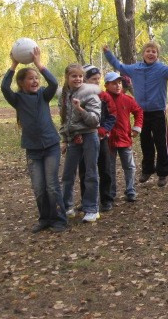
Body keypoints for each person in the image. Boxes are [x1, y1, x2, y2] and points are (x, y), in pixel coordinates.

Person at [1, 47, 67, 233]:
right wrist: (14, 64)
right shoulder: (17, 99)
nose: (35, 81)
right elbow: (4, 87)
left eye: (36, 78)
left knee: (52, 186)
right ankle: (45, 219)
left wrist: (39, 64)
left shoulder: (43, 95)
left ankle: (59, 219)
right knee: (39, 188)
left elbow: (54, 83)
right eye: (31, 78)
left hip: (51, 146)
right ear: (21, 83)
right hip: (33, 149)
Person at [103, 42, 168, 187]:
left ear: (157, 55)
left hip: (158, 112)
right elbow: (119, 66)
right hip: (141, 113)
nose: (151, 53)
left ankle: (163, 173)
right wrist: (107, 53)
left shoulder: (162, 69)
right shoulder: (135, 69)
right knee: (145, 142)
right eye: (148, 51)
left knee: (161, 143)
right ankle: (147, 170)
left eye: (154, 51)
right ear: (143, 53)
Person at [59, 64, 102, 223]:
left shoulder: (90, 94)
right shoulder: (64, 95)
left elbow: (95, 120)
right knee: (68, 174)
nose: (77, 79)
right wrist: (64, 139)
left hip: (89, 135)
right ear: (67, 77)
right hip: (73, 137)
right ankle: (67, 206)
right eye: (74, 76)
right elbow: (64, 119)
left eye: (80, 76)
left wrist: (80, 109)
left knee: (90, 172)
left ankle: (91, 209)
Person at [78, 66, 118, 212]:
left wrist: (103, 130)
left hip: (101, 138)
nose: (96, 82)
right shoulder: (78, 96)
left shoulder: (104, 96)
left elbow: (112, 115)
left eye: (98, 79)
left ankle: (106, 199)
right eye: (93, 79)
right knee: (85, 170)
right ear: (85, 79)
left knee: (105, 168)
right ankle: (86, 200)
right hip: (83, 139)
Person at [104, 72, 144, 203]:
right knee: (109, 168)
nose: (117, 86)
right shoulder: (102, 100)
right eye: (114, 83)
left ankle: (130, 190)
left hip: (124, 138)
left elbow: (139, 111)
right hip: (108, 140)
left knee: (129, 166)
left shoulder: (127, 99)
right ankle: (111, 192)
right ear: (106, 85)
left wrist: (137, 127)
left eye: (119, 83)